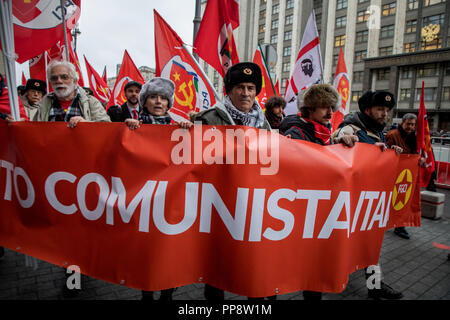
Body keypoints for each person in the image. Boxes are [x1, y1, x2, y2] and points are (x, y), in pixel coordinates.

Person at [194, 62, 271, 300]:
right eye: (239, 87)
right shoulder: (206, 120)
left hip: (252, 206)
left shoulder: (265, 125)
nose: (245, 93)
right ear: (229, 90)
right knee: (216, 266)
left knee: (254, 265)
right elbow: (191, 164)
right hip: (217, 206)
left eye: (250, 87)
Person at [279, 84, 358, 300]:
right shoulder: (295, 132)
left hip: (317, 212)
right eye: (324, 107)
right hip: (295, 211)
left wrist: (339, 144)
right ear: (310, 109)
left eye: (332, 107)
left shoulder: (325, 134)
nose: (330, 113)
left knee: (316, 268)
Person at [124, 77, 192, 300]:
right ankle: (147, 291)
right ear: (144, 101)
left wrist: (187, 130)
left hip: (170, 200)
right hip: (144, 199)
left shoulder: (177, 127)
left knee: (167, 249)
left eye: (163, 98)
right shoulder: (133, 125)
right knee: (147, 250)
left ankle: (167, 292)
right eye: (153, 97)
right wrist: (130, 131)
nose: (158, 102)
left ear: (169, 103)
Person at [333, 90, 404, 300]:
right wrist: (347, 142)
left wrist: (391, 155)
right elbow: (336, 142)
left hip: (368, 202)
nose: (385, 114)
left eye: (387, 110)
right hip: (349, 201)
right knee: (342, 245)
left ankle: (375, 286)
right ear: (367, 110)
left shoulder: (379, 131)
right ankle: (332, 279)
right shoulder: (351, 128)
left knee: (371, 247)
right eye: (380, 109)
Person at [386, 113, 426, 240]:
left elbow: (417, 154)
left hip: (406, 177)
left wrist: (421, 160)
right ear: (402, 123)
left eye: (413, 125)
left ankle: (400, 225)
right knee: (389, 200)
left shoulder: (416, 138)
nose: (410, 127)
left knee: (403, 200)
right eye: (408, 124)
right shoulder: (392, 135)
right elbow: (385, 153)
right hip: (392, 175)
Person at [34, 60, 110, 125]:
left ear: (75, 81)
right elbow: (35, 131)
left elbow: (106, 127)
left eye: (64, 77)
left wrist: (86, 124)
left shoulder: (91, 102)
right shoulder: (43, 104)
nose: (59, 81)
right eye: (54, 78)